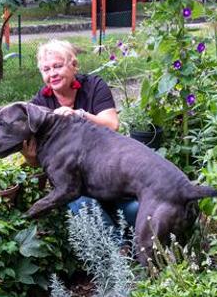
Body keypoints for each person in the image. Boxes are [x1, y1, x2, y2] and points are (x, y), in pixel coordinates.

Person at [23, 39, 139, 233]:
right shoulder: (40, 104)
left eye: (58, 66)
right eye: (46, 69)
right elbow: (37, 160)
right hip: (73, 178)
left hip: (106, 167)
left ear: (73, 65)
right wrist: (28, 155)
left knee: (133, 209)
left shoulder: (94, 86)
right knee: (78, 199)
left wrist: (79, 115)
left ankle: (139, 242)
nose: (52, 74)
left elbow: (112, 124)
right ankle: (118, 251)